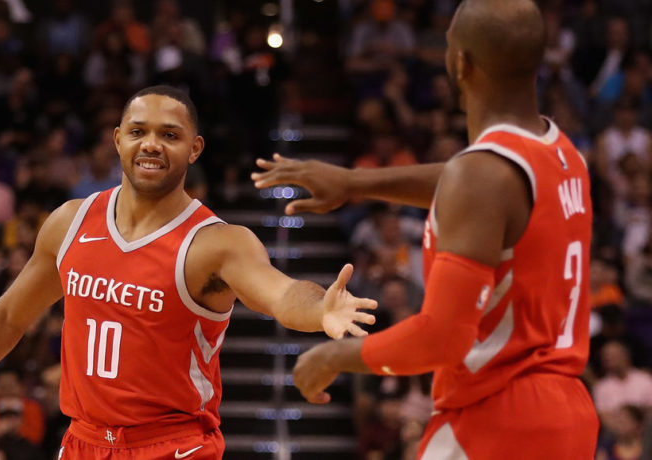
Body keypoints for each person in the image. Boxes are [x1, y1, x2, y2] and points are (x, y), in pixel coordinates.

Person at [0, 85, 377, 460]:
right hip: (83, 441)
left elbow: (281, 294)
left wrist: (322, 308)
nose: (151, 144)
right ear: (118, 140)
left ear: (195, 149)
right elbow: (6, 319)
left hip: (173, 444)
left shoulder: (217, 243)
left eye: (169, 135)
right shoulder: (70, 222)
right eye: (138, 131)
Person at [251, 0, 598, 458]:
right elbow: (464, 181)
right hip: (567, 416)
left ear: (461, 63)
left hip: (495, 416)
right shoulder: (563, 155)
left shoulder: (483, 178)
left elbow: (443, 338)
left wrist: (333, 356)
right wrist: (354, 183)